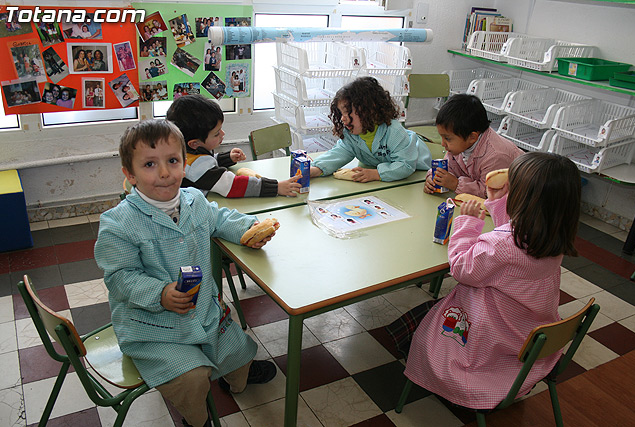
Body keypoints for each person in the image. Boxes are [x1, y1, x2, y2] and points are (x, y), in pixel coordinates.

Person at [94, 120, 278, 427]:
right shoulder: (118, 223)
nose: (164, 173)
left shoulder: (195, 200)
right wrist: (159, 293)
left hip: (203, 312)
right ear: (130, 174)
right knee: (192, 379)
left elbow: (221, 219)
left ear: (184, 164)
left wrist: (249, 229)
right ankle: (196, 420)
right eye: (150, 164)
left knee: (238, 349)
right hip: (153, 327)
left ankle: (237, 380)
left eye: (172, 161)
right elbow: (120, 277)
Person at [388, 151, 582, 410]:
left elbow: (460, 268)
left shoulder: (501, 245)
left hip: (487, 346)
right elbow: (509, 241)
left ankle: (442, 380)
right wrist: (496, 203)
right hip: (525, 337)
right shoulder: (552, 238)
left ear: (522, 199)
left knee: (420, 327)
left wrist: (467, 224)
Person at [166, 94, 301, 198]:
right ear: (194, 143)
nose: (223, 134)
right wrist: (276, 187)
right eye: (216, 133)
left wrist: (226, 158)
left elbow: (205, 162)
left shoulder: (185, 152)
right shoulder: (195, 167)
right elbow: (232, 186)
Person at [310, 76, 432, 182]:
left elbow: (406, 165)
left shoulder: (394, 132)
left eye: (347, 112)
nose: (342, 118)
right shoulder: (351, 134)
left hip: (417, 168)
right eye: (341, 113)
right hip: (383, 167)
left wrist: (377, 174)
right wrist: (316, 169)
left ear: (369, 110)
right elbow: (339, 153)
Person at [424, 94, 523, 198]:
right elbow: (449, 168)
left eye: (447, 138)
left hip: (519, 200)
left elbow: (489, 193)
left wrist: (455, 184)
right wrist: (434, 178)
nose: (443, 144)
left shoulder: (496, 156)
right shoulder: (460, 144)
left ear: (472, 137)